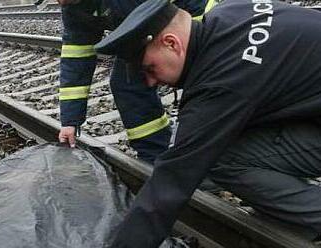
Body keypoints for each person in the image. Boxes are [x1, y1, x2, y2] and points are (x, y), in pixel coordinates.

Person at [95, 0, 321, 247]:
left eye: (150, 68)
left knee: (221, 157)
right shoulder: (228, 12)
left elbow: (173, 180)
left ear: (172, 43)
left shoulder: (222, 81)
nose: (150, 82)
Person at [56, 0, 217, 163]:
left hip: (198, 14)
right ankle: (155, 155)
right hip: (159, 18)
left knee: (204, 83)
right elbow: (76, 59)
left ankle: (214, 157)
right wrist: (70, 121)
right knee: (127, 83)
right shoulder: (73, 8)